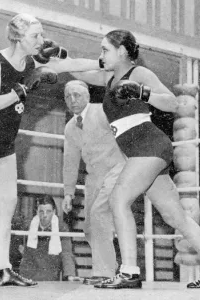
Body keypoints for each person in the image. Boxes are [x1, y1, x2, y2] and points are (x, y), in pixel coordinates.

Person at [71, 29, 200, 289]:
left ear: (122, 51)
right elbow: (77, 71)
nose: (100, 55)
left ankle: (129, 271)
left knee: (118, 199)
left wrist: (142, 93)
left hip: (150, 146)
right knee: (174, 215)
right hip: (143, 152)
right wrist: (52, 58)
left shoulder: (139, 73)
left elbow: (172, 103)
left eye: (104, 50)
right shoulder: (109, 78)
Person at [0, 13, 99, 287]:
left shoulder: (34, 61)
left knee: (6, 204)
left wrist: (102, 63)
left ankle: (2, 269)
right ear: (17, 37)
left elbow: (71, 63)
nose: (41, 40)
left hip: (5, 141)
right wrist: (24, 88)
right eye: (35, 35)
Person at [62, 80, 126, 285]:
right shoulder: (70, 127)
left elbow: (127, 134)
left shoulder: (103, 112)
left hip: (117, 169)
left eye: (77, 95)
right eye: (68, 96)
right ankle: (110, 267)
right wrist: (68, 193)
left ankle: (104, 273)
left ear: (88, 96)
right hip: (94, 177)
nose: (72, 100)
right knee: (89, 226)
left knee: (100, 214)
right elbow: (70, 161)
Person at [18, 195, 80, 281]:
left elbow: (66, 253)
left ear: (54, 212)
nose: (45, 215)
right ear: (36, 211)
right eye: (41, 211)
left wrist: (70, 275)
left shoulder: (61, 227)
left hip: (49, 275)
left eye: (48, 211)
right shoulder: (29, 226)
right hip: (28, 274)